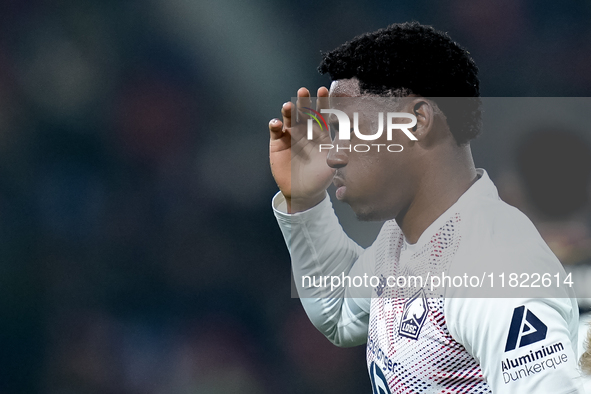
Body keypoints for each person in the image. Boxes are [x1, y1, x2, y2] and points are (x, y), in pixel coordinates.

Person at [268, 22, 585, 392]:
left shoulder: (493, 268)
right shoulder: (404, 240)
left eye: (351, 129)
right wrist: (305, 202)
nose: (333, 155)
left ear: (417, 121)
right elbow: (339, 310)